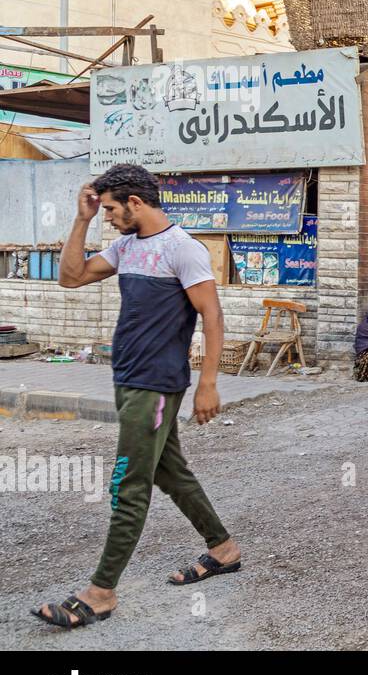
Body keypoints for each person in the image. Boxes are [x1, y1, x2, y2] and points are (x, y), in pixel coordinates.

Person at [32, 164, 239, 630]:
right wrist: (81, 219)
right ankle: (223, 549)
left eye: (109, 208)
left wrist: (208, 383)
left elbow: (212, 316)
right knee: (171, 473)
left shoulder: (183, 249)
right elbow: (72, 277)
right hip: (127, 378)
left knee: (128, 483)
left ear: (136, 204)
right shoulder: (127, 246)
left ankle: (101, 592)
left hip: (157, 385)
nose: (107, 216)